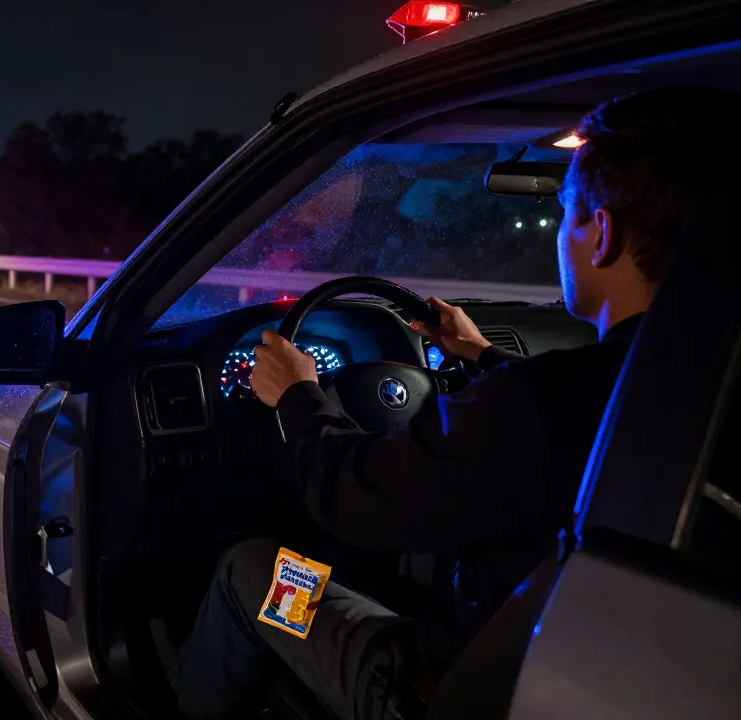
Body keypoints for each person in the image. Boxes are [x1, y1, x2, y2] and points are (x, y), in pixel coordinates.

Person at [170, 85, 738, 720]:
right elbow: (596, 406)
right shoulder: (697, 382)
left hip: (436, 687)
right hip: (605, 675)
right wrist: (480, 355)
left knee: (252, 571)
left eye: (568, 211)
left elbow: (355, 498)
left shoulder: (538, 404)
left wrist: (298, 394)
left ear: (600, 233)